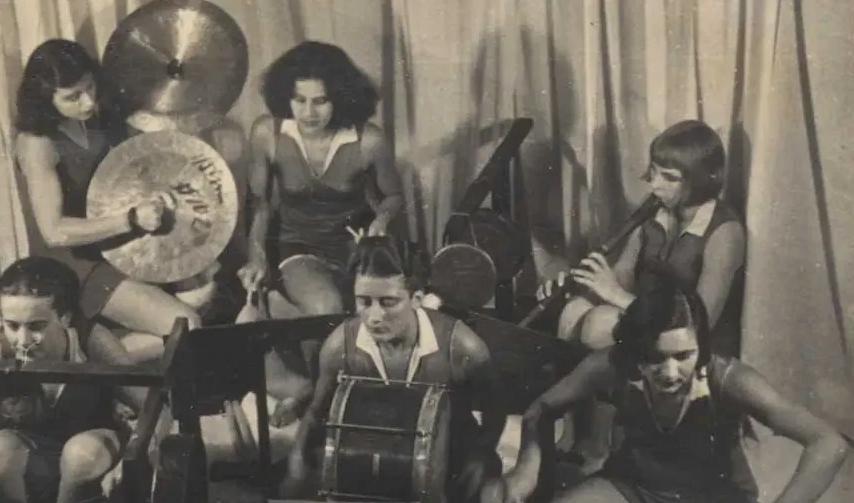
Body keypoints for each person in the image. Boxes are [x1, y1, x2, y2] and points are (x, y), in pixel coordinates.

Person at [493, 278, 849, 503]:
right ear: (635, 351)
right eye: (655, 357)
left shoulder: (729, 379)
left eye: (684, 356)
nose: (670, 371)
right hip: (633, 487)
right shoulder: (610, 366)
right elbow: (543, 407)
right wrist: (525, 471)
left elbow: (828, 442)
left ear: (701, 348)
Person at [536, 119, 748, 468]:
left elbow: (700, 321)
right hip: (645, 320)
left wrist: (615, 296)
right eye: (653, 172)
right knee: (573, 311)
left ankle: (600, 446)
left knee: (600, 324)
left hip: (685, 341)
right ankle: (572, 435)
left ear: (700, 179)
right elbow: (620, 276)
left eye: (669, 177)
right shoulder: (655, 214)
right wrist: (581, 285)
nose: (654, 184)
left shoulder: (725, 232)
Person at [14, 39, 202, 363]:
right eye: (72, 97)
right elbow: (53, 232)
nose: (88, 101)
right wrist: (130, 219)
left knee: (206, 299)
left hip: (118, 249)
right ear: (44, 99)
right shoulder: (36, 143)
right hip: (73, 265)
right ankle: (81, 359)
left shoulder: (96, 120)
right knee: (188, 325)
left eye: (90, 87)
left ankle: (88, 354)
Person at [281, 236, 506, 502]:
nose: (374, 317)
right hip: (370, 455)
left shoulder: (462, 346)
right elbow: (315, 414)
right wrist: (296, 464)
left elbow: (495, 410)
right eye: (364, 302)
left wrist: (481, 455)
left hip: (449, 457)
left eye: (388, 302)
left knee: (487, 484)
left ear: (417, 299)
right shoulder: (339, 345)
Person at [0, 257, 149, 503]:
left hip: (92, 448)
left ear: (65, 317)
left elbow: (152, 406)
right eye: (12, 325)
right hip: (33, 448)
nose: (23, 341)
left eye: (36, 326)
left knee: (81, 455)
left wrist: (132, 463)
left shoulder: (92, 341)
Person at [238, 41, 405, 316]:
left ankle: (281, 309)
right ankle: (283, 302)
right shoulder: (267, 133)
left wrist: (381, 220)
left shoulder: (369, 140)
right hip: (298, 247)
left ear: (340, 97)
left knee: (375, 315)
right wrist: (256, 258)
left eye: (320, 101)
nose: (308, 113)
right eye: (299, 100)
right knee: (327, 308)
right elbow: (259, 205)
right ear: (285, 97)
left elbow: (393, 196)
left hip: (356, 249)